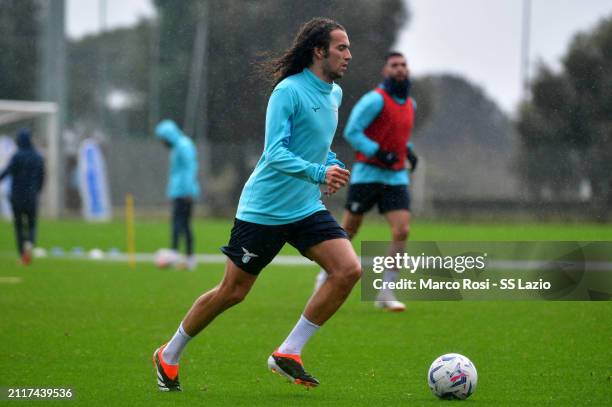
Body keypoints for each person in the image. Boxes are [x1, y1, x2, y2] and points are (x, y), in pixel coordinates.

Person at [153, 17, 359, 392]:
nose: (349, 55)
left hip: (306, 208)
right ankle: (169, 353)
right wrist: (317, 172)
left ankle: (289, 352)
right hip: (263, 210)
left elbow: (318, 145)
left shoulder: (335, 94)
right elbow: (275, 152)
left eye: (348, 47)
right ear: (319, 51)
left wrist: (330, 165)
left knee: (347, 270)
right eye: (341, 47)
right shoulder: (288, 91)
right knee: (232, 292)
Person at [314, 51, 418, 312]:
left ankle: (386, 291)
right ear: (385, 71)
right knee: (348, 230)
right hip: (368, 175)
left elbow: (398, 135)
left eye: (403, 65)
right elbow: (352, 131)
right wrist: (377, 151)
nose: (400, 69)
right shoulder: (374, 100)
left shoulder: (410, 104)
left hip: (395, 177)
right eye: (394, 65)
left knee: (401, 231)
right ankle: (325, 277)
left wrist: (409, 150)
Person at [155, 120, 200, 270]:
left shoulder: (183, 145)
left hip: (184, 192)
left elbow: (189, 168)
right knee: (184, 224)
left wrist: (187, 190)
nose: (162, 143)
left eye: (163, 139)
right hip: (180, 190)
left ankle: (177, 254)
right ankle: (187, 258)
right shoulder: (179, 146)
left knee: (179, 223)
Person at [0, 129, 45, 265]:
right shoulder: (37, 157)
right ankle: (30, 243)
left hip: (17, 197)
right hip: (31, 196)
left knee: (19, 226)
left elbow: (6, 172)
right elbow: (42, 176)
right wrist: (37, 190)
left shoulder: (17, 156)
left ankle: (22, 255)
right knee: (31, 224)